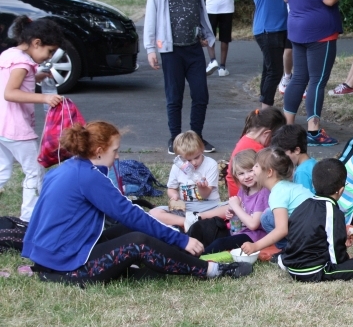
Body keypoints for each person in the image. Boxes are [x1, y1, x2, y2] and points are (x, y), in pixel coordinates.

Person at [22, 121, 250, 285]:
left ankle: (181, 256)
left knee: (129, 230)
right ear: (99, 151)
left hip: (52, 256)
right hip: (68, 265)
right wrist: (181, 239)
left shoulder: (66, 168)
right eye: (115, 150)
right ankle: (210, 269)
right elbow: (131, 214)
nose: (117, 156)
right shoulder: (89, 177)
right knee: (138, 240)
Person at [283, 0, 353, 147]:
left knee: (298, 78)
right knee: (317, 80)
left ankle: (287, 127)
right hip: (320, 32)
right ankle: (314, 131)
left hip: (297, 29)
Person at [145, 0, 217, 155]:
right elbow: (151, 17)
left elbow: (200, 12)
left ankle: (196, 137)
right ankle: (175, 139)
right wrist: (150, 48)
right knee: (174, 97)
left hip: (193, 49)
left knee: (201, 95)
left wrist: (205, 34)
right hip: (171, 50)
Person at [0, 16, 63, 222]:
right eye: (49, 51)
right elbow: (10, 92)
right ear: (36, 43)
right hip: (16, 128)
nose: (49, 57)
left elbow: (16, 80)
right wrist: (44, 98)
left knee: (2, 170)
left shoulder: (10, 55)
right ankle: (28, 218)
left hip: (2, 126)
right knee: (34, 171)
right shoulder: (23, 63)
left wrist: (38, 77)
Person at [279, 158, 353, 282]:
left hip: (292, 267)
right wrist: (346, 257)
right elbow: (337, 258)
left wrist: (342, 240)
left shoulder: (303, 205)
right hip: (314, 271)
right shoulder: (333, 212)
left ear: (313, 184)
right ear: (341, 190)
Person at [239, 148, 313, 253]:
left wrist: (255, 246)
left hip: (309, 236)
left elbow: (281, 230)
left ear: (269, 172)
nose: (253, 168)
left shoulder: (278, 193)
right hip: (314, 231)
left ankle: (288, 251)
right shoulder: (286, 186)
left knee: (266, 217)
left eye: (256, 166)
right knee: (268, 215)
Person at [149, 131, 227, 230]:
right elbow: (171, 188)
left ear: (202, 149)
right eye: (188, 160)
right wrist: (174, 196)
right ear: (179, 158)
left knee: (233, 207)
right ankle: (189, 222)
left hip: (210, 207)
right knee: (153, 213)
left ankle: (195, 220)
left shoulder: (210, 164)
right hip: (186, 208)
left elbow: (205, 195)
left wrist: (201, 187)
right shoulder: (177, 167)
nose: (194, 162)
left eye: (197, 157)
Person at [203, 149, 269, 254]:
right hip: (241, 230)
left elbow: (253, 225)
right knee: (209, 231)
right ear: (236, 176)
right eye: (241, 173)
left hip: (257, 236)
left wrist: (236, 207)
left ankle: (197, 258)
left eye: (250, 170)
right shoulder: (244, 190)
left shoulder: (263, 192)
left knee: (220, 243)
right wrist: (232, 212)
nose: (247, 176)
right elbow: (240, 212)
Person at [226, 107, 286, 196]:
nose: (273, 142)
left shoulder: (246, 138)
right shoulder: (258, 150)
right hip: (246, 195)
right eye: (273, 137)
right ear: (266, 134)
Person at [271, 124, 317, 192]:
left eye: (283, 154)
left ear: (296, 150)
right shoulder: (312, 162)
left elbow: (303, 196)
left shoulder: (301, 172)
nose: (282, 158)